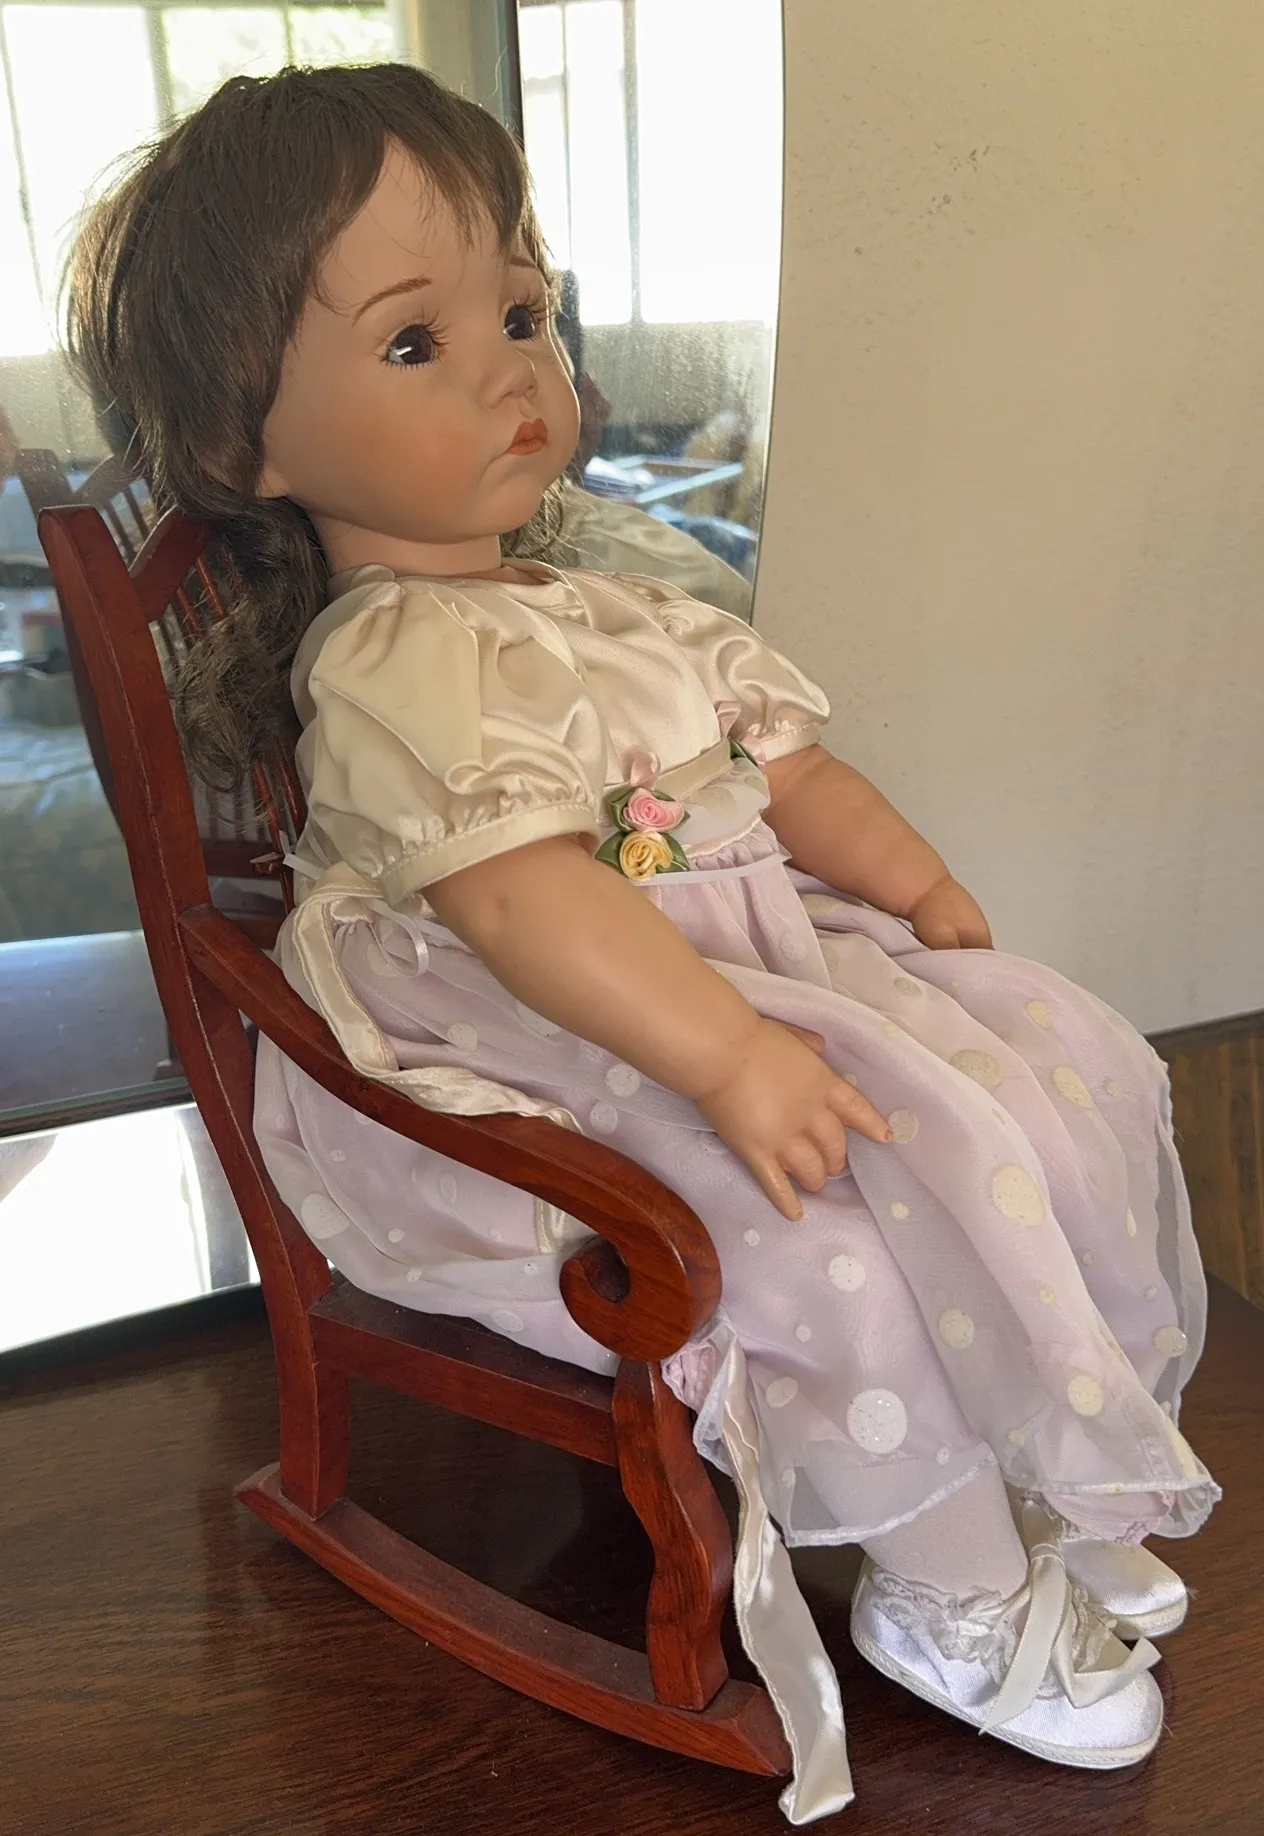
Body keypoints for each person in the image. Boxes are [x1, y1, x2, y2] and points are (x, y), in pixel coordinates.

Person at [66, 63, 1218, 1824]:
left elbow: (786, 770)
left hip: (731, 969)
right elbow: (526, 905)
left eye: (521, 313)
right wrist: (732, 1055)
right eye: (414, 341)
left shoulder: (613, 602)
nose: (509, 370)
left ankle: (1044, 1442)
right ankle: (951, 1590)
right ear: (251, 450)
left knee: (1057, 1065)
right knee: (826, 1229)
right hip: (533, 1050)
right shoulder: (397, 662)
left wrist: (910, 886)